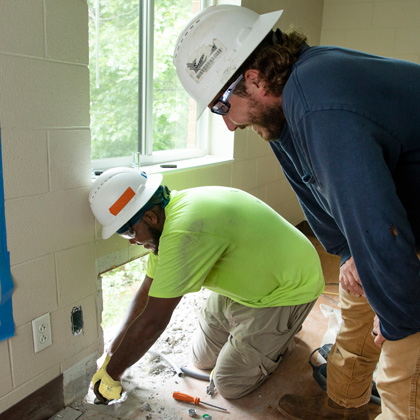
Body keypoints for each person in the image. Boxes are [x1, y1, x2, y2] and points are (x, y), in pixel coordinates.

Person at [173, 4, 420, 420]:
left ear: (252, 79)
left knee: (403, 373)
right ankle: (345, 404)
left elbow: (380, 226)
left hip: (398, 227)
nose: (228, 125)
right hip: (390, 219)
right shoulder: (281, 115)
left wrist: (400, 317)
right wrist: (345, 252)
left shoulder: (318, 99)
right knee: (358, 303)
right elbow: (312, 190)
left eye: (220, 107)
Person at [89, 167, 324, 402]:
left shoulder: (184, 230)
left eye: (129, 231)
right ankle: (267, 338)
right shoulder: (167, 222)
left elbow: (153, 321)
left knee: (229, 384)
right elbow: (145, 295)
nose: (132, 241)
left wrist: (112, 375)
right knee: (200, 359)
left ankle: (283, 336)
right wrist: (112, 355)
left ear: (150, 217)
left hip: (287, 288)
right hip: (250, 281)